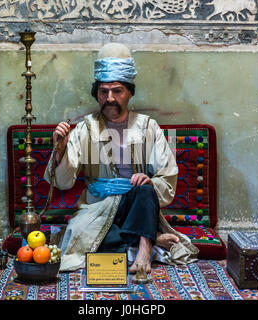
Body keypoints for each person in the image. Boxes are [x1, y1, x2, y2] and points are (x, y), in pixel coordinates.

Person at [45, 43, 199, 273]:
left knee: (145, 188)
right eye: (103, 91)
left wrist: (147, 181)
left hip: (137, 205)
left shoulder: (148, 126)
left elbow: (167, 181)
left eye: (117, 91)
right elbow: (63, 182)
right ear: (96, 93)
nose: (110, 98)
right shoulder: (84, 129)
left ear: (129, 92)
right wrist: (60, 149)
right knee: (85, 239)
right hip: (97, 209)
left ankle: (144, 251)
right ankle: (152, 237)